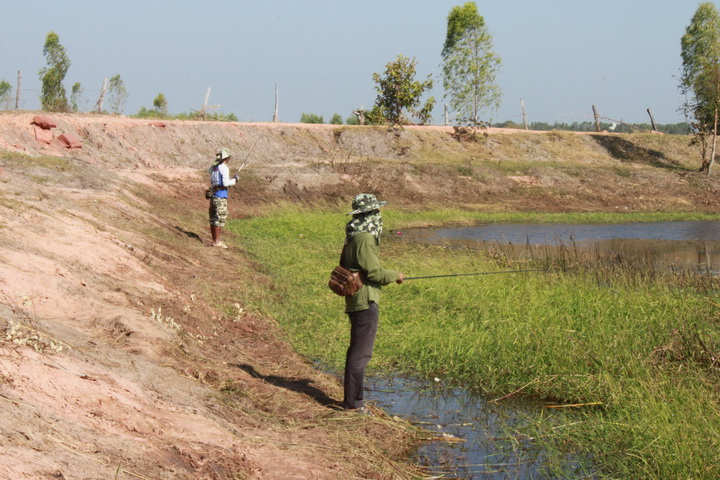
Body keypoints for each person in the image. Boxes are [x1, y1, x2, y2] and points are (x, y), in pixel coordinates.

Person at [340, 193, 404, 412]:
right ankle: (354, 405)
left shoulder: (352, 235)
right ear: (370, 214)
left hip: (356, 299)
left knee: (356, 352)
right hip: (365, 300)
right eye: (376, 211)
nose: (379, 215)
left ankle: (352, 401)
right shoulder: (365, 238)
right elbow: (375, 273)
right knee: (361, 355)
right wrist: (396, 275)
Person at [208, 148, 239, 248]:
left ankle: (214, 241)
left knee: (213, 218)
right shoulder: (224, 168)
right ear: (227, 158)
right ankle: (217, 242)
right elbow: (225, 183)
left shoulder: (213, 168)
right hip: (220, 195)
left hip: (213, 195)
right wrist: (234, 180)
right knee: (220, 217)